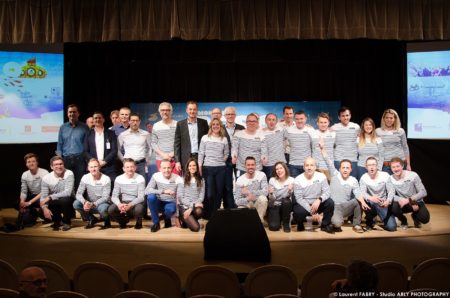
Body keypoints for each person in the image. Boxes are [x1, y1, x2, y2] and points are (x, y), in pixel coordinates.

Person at [320, 142, 369, 233]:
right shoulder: (335, 174)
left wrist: (363, 202)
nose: (345, 169)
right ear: (340, 169)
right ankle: (334, 219)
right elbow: (328, 161)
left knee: (359, 200)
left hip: (346, 207)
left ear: (351, 169)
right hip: (334, 207)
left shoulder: (353, 180)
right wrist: (322, 149)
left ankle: (357, 224)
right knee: (337, 224)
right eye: (343, 168)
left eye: (347, 168)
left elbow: (358, 193)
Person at [292, 157, 335, 233]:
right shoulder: (298, 180)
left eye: (311, 165)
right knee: (298, 212)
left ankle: (325, 225)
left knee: (330, 202)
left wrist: (319, 199)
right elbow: (299, 199)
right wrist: (313, 212)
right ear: (303, 167)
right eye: (307, 165)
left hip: (317, 203)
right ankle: (300, 223)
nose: (309, 168)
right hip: (305, 204)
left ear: (315, 167)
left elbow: (327, 192)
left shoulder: (321, 176)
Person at [198, 118, 228, 219]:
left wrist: (221, 160)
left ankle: (216, 215)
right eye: (213, 124)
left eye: (218, 124)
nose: (215, 126)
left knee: (219, 193)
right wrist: (200, 167)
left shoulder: (224, 139)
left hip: (220, 169)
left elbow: (226, 153)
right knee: (209, 194)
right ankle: (208, 214)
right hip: (208, 168)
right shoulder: (205, 138)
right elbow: (201, 153)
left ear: (220, 126)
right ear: (211, 126)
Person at [387, 157, 430, 229]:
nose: (396, 169)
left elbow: (423, 192)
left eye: (398, 166)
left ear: (402, 166)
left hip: (416, 202)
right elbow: (391, 195)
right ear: (391, 168)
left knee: (425, 219)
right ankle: (404, 221)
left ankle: (415, 216)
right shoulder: (390, 179)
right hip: (403, 203)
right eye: (393, 167)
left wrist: (409, 200)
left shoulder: (413, 175)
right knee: (393, 206)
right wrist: (403, 200)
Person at [56, 104, 89, 190]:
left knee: (79, 183)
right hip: (66, 159)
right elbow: (59, 143)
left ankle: (78, 202)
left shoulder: (84, 127)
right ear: (67, 114)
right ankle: (68, 201)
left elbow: (87, 144)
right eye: (70, 112)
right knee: (66, 183)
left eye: (74, 112)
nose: (72, 114)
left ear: (78, 113)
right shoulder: (63, 127)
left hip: (80, 159)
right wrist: (59, 159)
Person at [359, 157, 397, 231]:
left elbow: (391, 190)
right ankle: (370, 221)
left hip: (382, 204)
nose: (372, 167)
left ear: (377, 166)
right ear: (366, 167)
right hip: (371, 204)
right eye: (369, 165)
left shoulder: (385, 175)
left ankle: (386, 217)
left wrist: (388, 201)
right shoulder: (364, 177)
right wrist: (371, 198)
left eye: (373, 164)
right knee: (363, 200)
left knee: (392, 227)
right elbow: (362, 192)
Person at [146, 159, 183, 232]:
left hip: (170, 202)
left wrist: (177, 216)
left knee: (171, 209)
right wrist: (163, 191)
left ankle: (166, 218)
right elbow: (147, 190)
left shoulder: (178, 179)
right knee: (151, 197)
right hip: (158, 202)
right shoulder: (156, 176)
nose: (167, 170)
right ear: (160, 169)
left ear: (172, 168)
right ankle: (156, 223)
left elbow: (180, 198)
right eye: (164, 168)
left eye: (168, 167)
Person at [74, 158, 111, 229]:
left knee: (103, 208)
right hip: (90, 204)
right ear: (88, 168)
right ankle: (92, 219)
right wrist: (84, 202)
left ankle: (107, 221)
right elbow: (78, 194)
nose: (93, 169)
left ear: (99, 167)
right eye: (91, 167)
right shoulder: (85, 177)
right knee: (76, 203)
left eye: (95, 166)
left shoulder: (106, 178)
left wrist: (94, 204)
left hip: (102, 204)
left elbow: (106, 197)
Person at [108, 158, 146, 229]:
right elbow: (114, 196)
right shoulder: (119, 179)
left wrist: (130, 205)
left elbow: (141, 197)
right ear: (123, 169)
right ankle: (123, 221)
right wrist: (119, 204)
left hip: (135, 203)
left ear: (135, 168)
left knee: (139, 209)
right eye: (127, 167)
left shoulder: (140, 178)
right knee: (111, 209)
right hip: (123, 202)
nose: (130, 169)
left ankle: (138, 222)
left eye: (131, 167)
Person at [40, 156, 75, 231]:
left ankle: (66, 222)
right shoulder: (46, 178)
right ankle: (58, 220)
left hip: (68, 200)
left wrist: (50, 197)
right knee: (41, 211)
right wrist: (44, 208)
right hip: (55, 202)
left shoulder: (69, 173)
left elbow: (68, 192)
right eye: (56, 165)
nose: (59, 166)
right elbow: (43, 196)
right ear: (51, 167)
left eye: (61, 164)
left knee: (65, 200)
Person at [174, 101, 209, 173]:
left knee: (201, 179)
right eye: (190, 109)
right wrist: (177, 161)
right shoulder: (180, 124)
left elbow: (208, 141)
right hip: (185, 158)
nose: (192, 111)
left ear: (197, 110)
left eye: (194, 109)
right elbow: (177, 144)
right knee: (187, 181)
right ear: (186, 110)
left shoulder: (204, 123)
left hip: (200, 157)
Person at [84, 112, 118, 184]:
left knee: (111, 187)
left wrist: (104, 161)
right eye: (95, 118)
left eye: (99, 118)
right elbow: (85, 151)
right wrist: (95, 162)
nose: (98, 119)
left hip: (109, 166)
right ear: (93, 120)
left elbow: (114, 150)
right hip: (94, 167)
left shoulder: (111, 133)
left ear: (103, 120)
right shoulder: (88, 134)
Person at [117, 112, 152, 181]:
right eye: (133, 120)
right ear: (129, 121)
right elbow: (117, 149)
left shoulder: (146, 134)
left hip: (141, 164)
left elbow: (151, 147)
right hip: (128, 165)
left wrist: (147, 159)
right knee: (128, 185)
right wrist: (123, 160)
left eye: (137, 120)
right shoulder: (123, 135)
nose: (135, 123)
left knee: (142, 184)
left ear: (139, 122)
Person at [17, 153, 49, 228]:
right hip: (33, 197)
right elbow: (24, 190)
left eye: (33, 161)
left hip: (44, 196)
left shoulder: (44, 172)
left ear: (37, 163)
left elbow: (44, 191)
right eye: (29, 162)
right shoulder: (25, 174)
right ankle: (33, 213)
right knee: (17, 204)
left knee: (44, 215)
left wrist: (29, 203)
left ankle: (40, 213)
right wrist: (22, 202)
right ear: (26, 164)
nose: (31, 163)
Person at [376, 108, 410, 174]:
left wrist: (408, 164)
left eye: (391, 118)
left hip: (400, 163)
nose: (389, 120)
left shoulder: (400, 131)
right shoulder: (378, 131)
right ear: (383, 119)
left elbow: (405, 147)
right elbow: (376, 148)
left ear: (395, 119)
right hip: (386, 165)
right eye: (387, 118)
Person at [234, 156, 268, 223]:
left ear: (255, 165)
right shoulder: (240, 180)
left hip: (257, 204)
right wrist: (248, 199)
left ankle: (259, 222)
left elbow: (266, 192)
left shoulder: (261, 175)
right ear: (245, 166)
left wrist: (249, 192)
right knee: (239, 210)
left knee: (263, 198)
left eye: (252, 165)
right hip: (246, 204)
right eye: (248, 165)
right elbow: (237, 201)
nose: (250, 167)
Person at [223, 106, 245, 209]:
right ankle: (229, 207)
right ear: (225, 116)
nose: (230, 116)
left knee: (240, 183)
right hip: (226, 161)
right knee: (228, 186)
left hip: (239, 161)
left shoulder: (242, 128)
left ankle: (240, 206)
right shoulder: (220, 129)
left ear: (235, 115)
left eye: (232, 114)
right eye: (228, 114)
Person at [331, 107, 360, 177]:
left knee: (353, 181)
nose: (345, 117)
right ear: (339, 117)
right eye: (343, 116)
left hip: (353, 159)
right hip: (338, 159)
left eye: (347, 115)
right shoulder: (334, 128)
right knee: (339, 181)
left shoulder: (356, 127)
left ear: (350, 116)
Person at [151, 102, 179, 174]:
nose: (165, 112)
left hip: (175, 159)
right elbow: (153, 143)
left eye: (167, 110)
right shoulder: (156, 125)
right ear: (159, 112)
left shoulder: (177, 124)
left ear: (171, 112)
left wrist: (172, 154)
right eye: (163, 110)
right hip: (161, 159)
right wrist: (163, 155)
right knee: (164, 182)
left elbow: (181, 142)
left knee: (176, 181)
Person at [285, 110, 314, 177]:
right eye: (297, 119)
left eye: (301, 118)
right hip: (293, 165)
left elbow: (315, 146)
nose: (299, 121)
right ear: (294, 119)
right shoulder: (289, 130)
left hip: (307, 164)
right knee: (295, 186)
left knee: (308, 186)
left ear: (306, 119)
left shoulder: (310, 130)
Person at [267, 162, 294, 232]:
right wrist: (271, 193)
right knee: (274, 227)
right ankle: (279, 218)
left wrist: (289, 191)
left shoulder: (291, 180)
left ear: (285, 169)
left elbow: (289, 198)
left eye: (281, 168)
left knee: (286, 201)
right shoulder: (272, 180)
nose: (279, 170)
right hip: (275, 205)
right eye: (277, 169)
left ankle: (286, 224)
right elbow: (272, 200)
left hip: (285, 206)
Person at [179, 158, 204, 231]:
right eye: (190, 166)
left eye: (194, 165)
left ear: (197, 167)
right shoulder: (182, 179)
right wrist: (192, 206)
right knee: (196, 228)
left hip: (194, 207)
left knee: (199, 211)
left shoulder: (201, 180)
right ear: (187, 167)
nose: (192, 167)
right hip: (184, 207)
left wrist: (191, 208)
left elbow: (201, 197)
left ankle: (189, 220)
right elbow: (181, 197)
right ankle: (183, 219)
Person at [310, 112, 336, 181]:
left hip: (329, 167)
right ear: (317, 123)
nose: (323, 124)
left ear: (328, 123)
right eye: (321, 122)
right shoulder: (312, 133)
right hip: (316, 168)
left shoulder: (334, 134)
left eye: (325, 122)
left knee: (330, 190)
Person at [262, 113, 286, 180]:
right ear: (265, 121)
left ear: (276, 121)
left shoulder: (281, 130)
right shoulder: (261, 133)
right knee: (270, 185)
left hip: (281, 163)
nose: (271, 122)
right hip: (268, 165)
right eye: (269, 120)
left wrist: (306, 126)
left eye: (273, 120)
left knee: (283, 184)